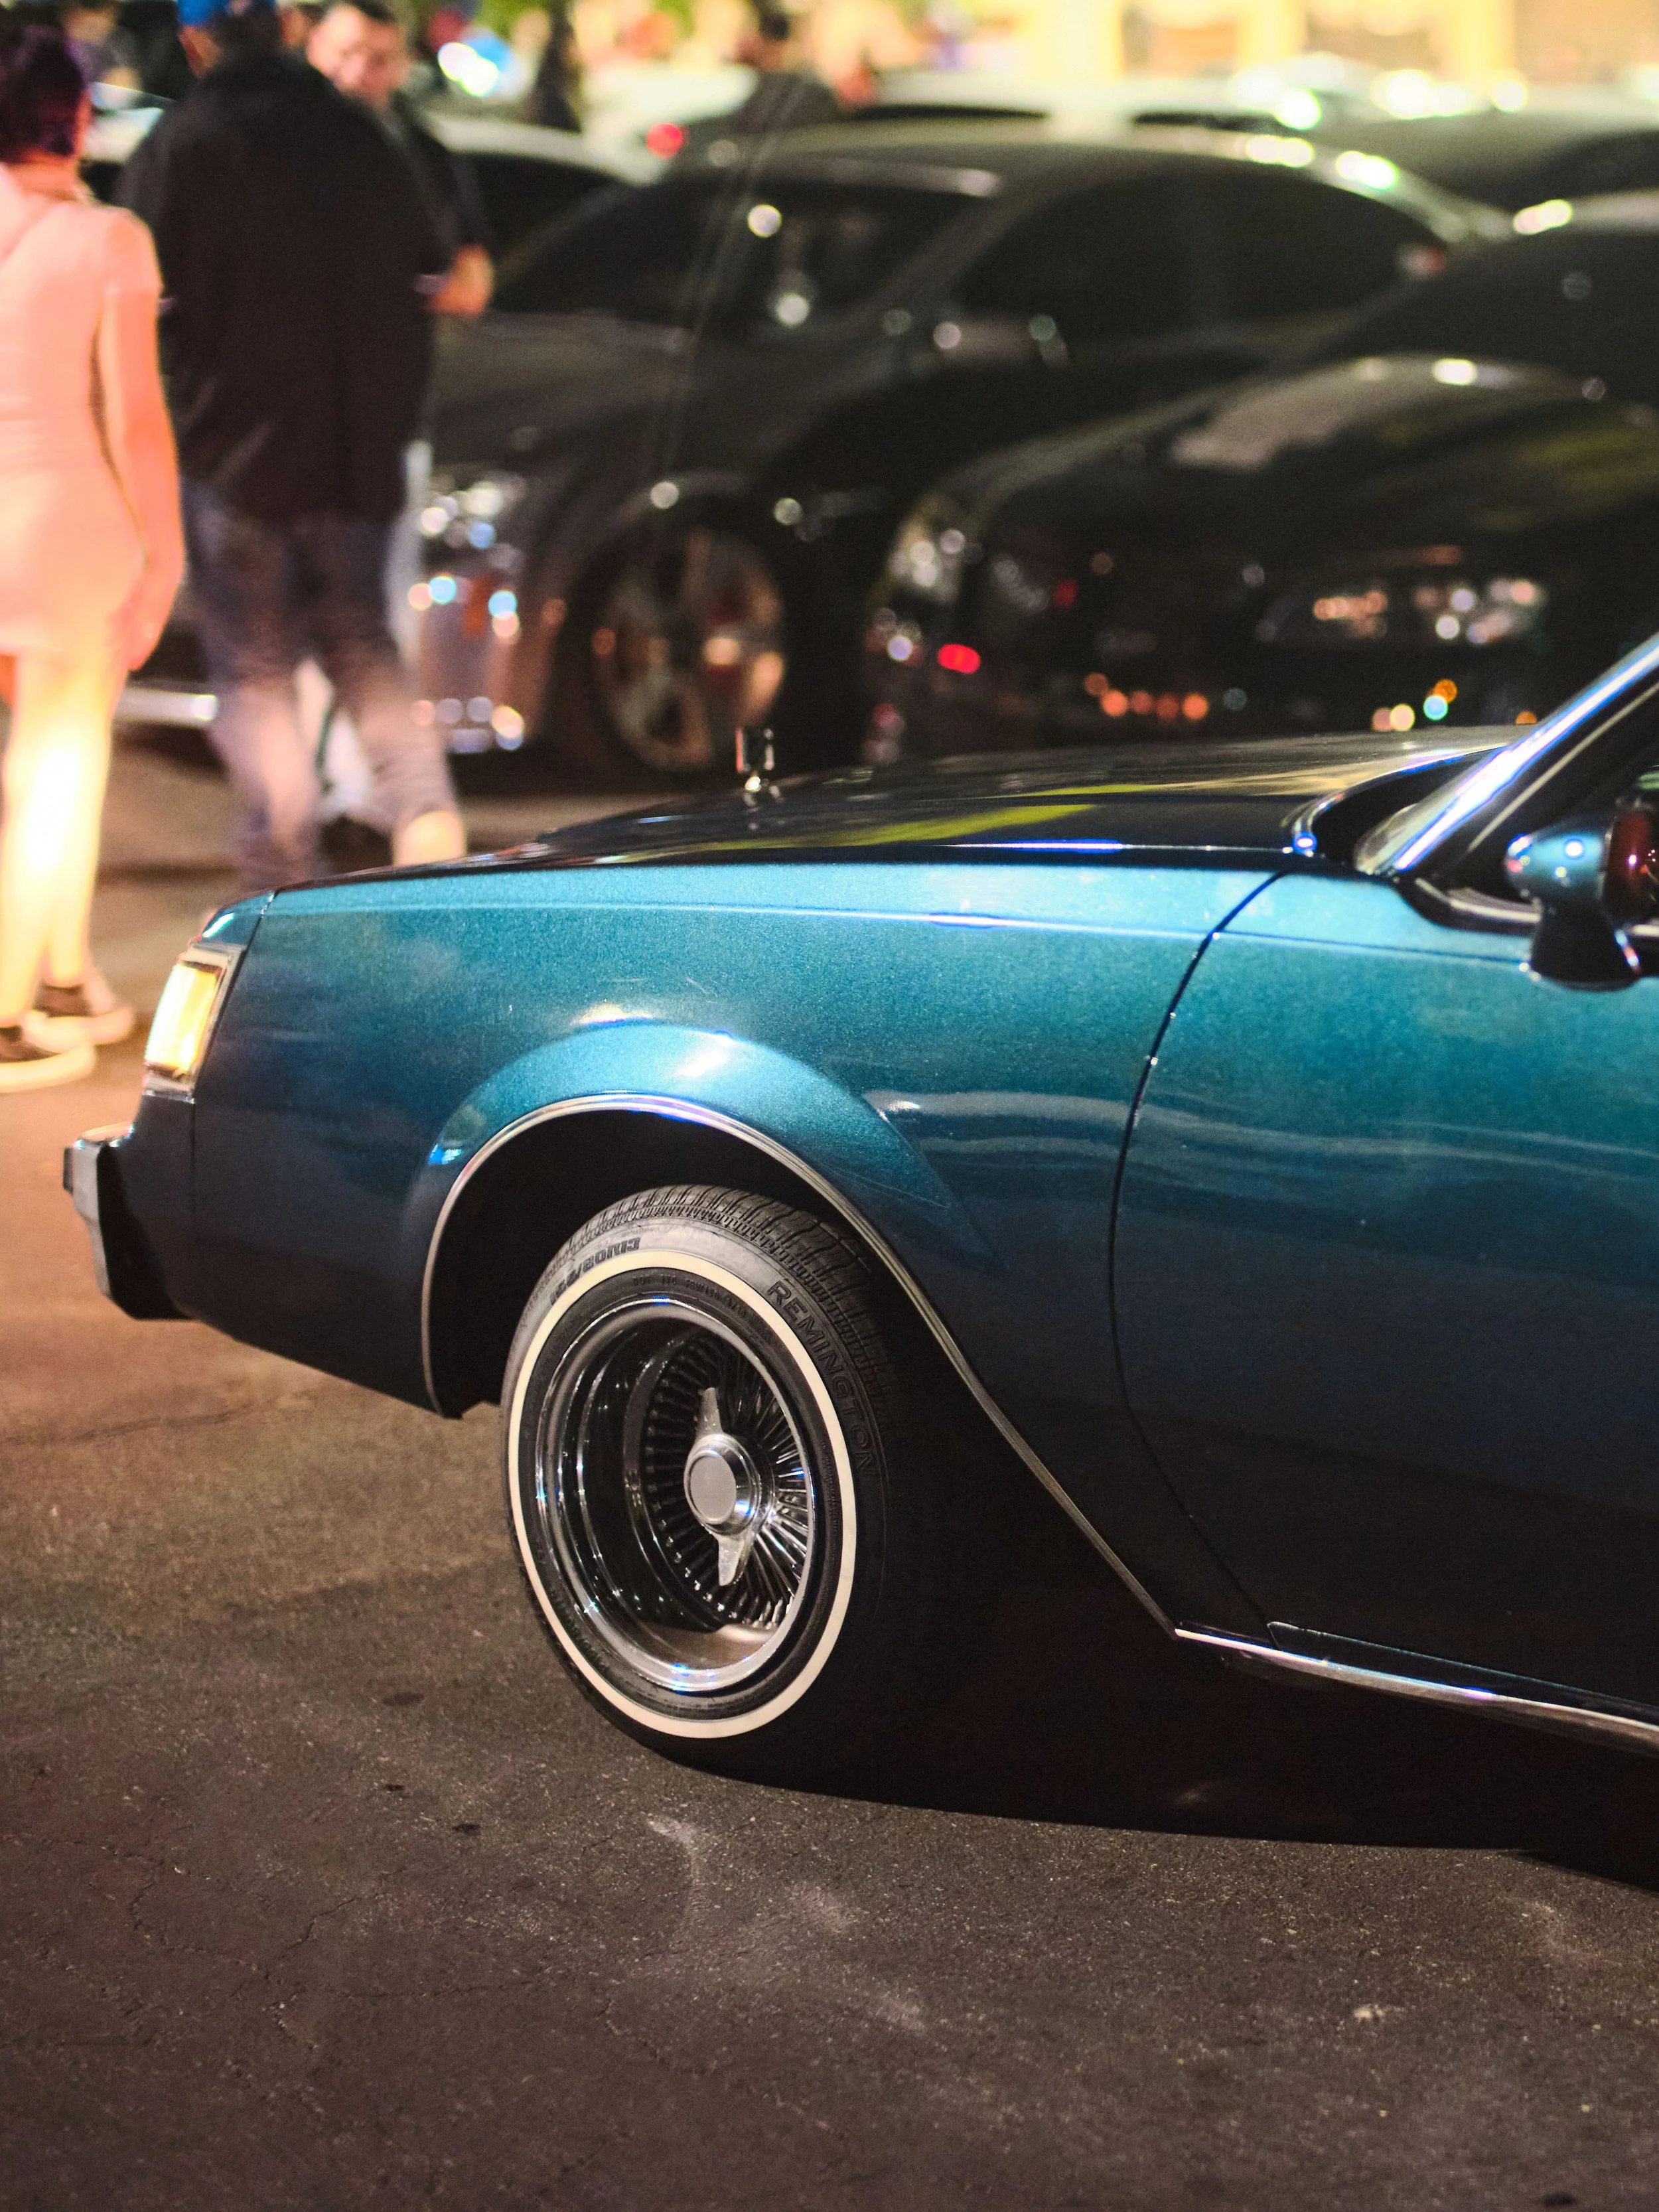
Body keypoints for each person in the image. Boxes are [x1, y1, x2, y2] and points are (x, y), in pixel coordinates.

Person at [120, 0, 466, 895]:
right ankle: (433, 837)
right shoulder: (362, 138)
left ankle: (282, 877)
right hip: (358, 456)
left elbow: (139, 285)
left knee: (258, 675)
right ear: (287, 31)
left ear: (197, 42)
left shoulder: (186, 144)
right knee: (365, 648)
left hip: (237, 459)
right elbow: (436, 264)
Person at [0, 17, 182, 1091]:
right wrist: (159, 555)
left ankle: (64, 974)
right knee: (56, 766)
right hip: (68, 524)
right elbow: (138, 421)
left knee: (59, 761)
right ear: (75, 115)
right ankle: (11, 1003)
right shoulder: (110, 239)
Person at [307, 0, 491, 317]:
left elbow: (472, 282)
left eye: (379, 61)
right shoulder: (270, 142)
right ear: (315, 46)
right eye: (346, 52)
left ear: (403, 67)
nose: (356, 74)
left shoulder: (426, 157)